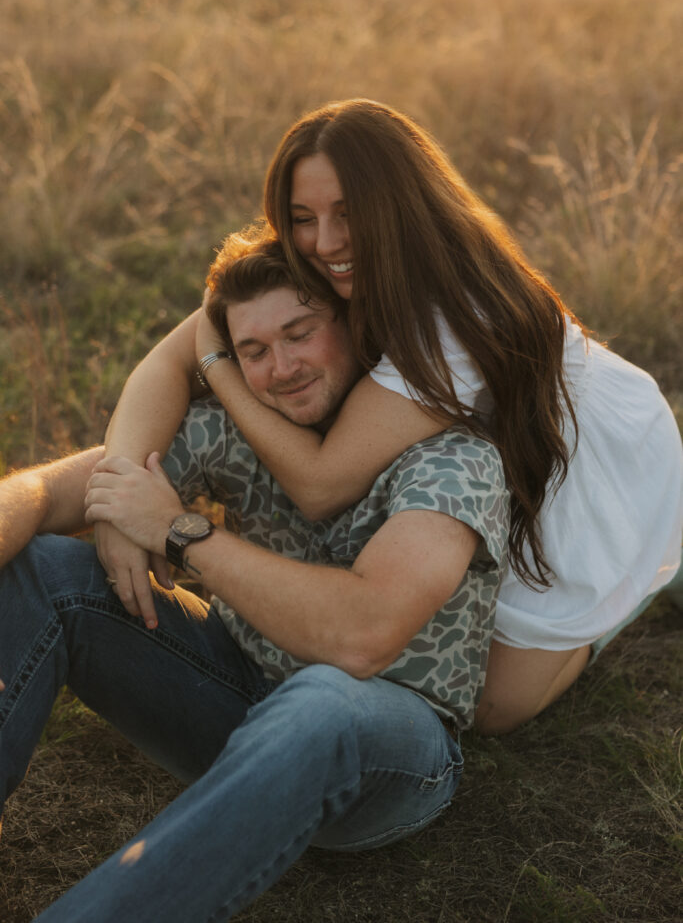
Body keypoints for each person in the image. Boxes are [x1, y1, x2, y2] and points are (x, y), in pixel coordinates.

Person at [100, 99, 683, 735]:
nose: (324, 242)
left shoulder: (456, 319)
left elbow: (321, 485)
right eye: (303, 217)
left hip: (596, 459)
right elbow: (162, 365)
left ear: (399, 201)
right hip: (501, 439)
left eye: (348, 214)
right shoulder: (312, 265)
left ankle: (621, 600)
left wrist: (216, 366)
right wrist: (117, 499)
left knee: (494, 708)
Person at [0, 238, 509, 922]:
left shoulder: (452, 459)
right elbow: (47, 492)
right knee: (46, 569)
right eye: (255, 352)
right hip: (238, 688)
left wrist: (178, 530)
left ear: (358, 329)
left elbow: (361, 639)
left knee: (322, 699)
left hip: (384, 739)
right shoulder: (252, 426)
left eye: (300, 334)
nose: (282, 369)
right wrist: (118, 501)